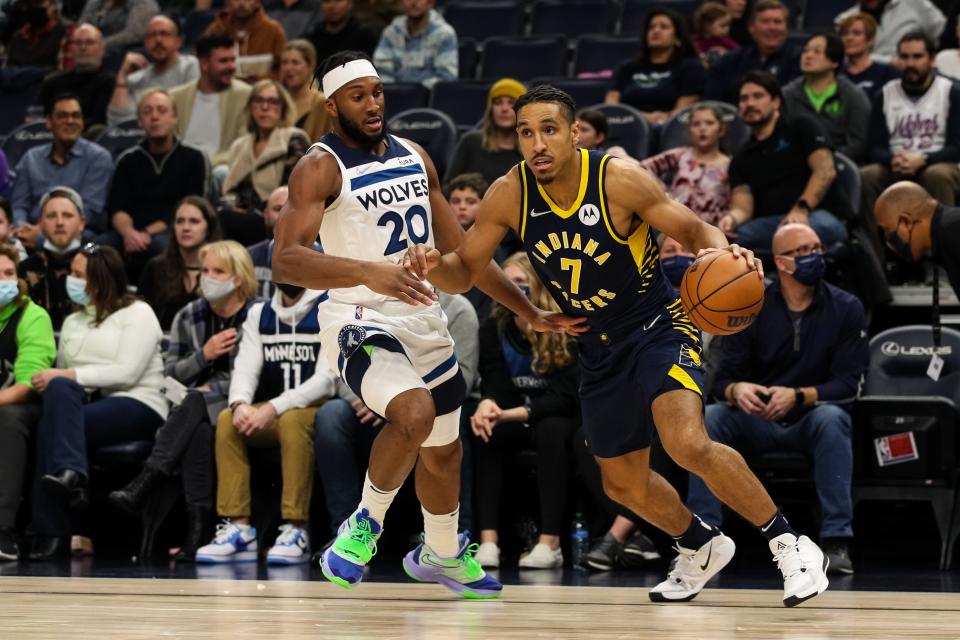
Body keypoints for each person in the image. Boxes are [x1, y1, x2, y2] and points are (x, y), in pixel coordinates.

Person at [404, 84, 830, 607]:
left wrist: (727, 251)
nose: (537, 143)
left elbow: (695, 228)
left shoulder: (617, 180)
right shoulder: (508, 193)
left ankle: (791, 543)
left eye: (549, 130)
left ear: (574, 133)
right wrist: (435, 267)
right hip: (595, 345)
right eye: (525, 132)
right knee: (623, 484)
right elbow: (466, 270)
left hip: (655, 326)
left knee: (687, 442)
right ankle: (699, 545)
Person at [272, 51, 565, 599]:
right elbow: (285, 260)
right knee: (414, 412)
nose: (373, 102)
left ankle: (442, 553)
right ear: (333, 105)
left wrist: (531, 312)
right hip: (358, 318)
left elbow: (466, 256)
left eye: (377, 91)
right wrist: (370, 273)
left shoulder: (416, 156)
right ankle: (363, 527)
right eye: (358, 95)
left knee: (444, 449)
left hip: (423, 315)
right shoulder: (318, 166)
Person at [689, 223, 869, 576]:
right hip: (756, 418)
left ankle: (836, 539)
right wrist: (736, 390)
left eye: (816, 248)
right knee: (711, 418)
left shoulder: (846, 307)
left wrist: (800, 395)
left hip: (809, 418)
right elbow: (721, 379)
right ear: (782, 263)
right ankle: (704, 537)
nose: (814, 257)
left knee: (833, 420)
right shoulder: (750, 304)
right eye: (803, 251)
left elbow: (851, 385)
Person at [107, 241, 260, 560]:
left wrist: (209, 390)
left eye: (218, 271)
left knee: (195, 403)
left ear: (239, 278)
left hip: (244, 405)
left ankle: (149, 479)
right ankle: (197, 532)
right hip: (193, 414)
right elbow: (169, 377)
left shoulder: (256, 314)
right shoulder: (189, 315)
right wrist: (204, 355)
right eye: (204, 271)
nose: (208, 277)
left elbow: (253, 376)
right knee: (198, 429)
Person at [26, 244, 168, 560]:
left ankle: (51, 532)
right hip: (91, 408)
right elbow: (66, 382)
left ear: (102, 279)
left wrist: (66, 375)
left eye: (80, 275)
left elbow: (127, 373)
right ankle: (72, 473)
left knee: (55, 418)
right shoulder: (75, 322)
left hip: (139, 404)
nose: (72, 281)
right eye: (72, 274)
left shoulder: (138, 313)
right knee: (59, 393)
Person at [312, 289, 480, 549]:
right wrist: (378, 398)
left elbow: (465, 376)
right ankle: (349, 529)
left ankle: (447, 545)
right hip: (369, 405)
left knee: (445, 429)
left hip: (428, 404)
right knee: (331, 416)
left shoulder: (458, 308)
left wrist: (529, 310)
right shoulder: (364, 291)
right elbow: (339, 366)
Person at [195, 285, 336, 564]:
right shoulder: (260, 313)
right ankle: (240, 528)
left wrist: (275, 406)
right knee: (227, 420)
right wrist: (239, 404)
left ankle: (297, 528)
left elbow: (327, 380)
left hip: (313, 408)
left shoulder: (328, 306)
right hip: (272, 411)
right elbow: (245, 368)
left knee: (292, 421)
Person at [470, 253, 580, 570]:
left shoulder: (565, 324)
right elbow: (497, 387)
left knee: (552, 429)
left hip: (560, 418)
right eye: (507, 284)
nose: (514, 291)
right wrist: (488, 404)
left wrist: (511, 413)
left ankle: (550, 543)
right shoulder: (493, 328)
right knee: (483, 429)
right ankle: (488, 541)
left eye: (521, 284)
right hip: (516, 413)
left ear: (539, 286)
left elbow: (565, 397)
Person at [720, 71, 847, 253]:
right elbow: (743, 207)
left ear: (776, 101)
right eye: (744, 99)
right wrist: (731, 219)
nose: (750, 104)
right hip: (772, 225)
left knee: (795, 233)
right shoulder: (741, 157)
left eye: (758, 96)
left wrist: (801, 209)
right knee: (730, 242)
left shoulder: (801, 127)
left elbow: (825, 171)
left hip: (818, 215)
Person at [860, 32, 960, 256]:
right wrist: (892, 159)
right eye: (904, 57)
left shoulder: (950, 91)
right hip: (896, 165)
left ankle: (946, 258)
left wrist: (923, 159)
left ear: (932, 59)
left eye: (917, 57)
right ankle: (877, 262)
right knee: (867, 176)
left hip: (937, 162)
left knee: (938, 175)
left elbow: (957, 146)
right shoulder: (884, 94)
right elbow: (874, 147)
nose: (910, 64)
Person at [0, 243, 57, 562]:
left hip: (25, 406)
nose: (4, 281)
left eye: (9, 273)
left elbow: (26, 384)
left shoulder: (32, 316)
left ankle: (4, 528)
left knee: (7, 418)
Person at [107, 89, 209, 266]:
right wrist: (130, 233)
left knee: (160, 247)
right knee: (95, 247)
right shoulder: (127, 160)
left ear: (174, 118)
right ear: (139, 121)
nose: (154, 117)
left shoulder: (193, 158)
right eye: (147, 112)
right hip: (130, 232)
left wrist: (146, 233)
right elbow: (117, 209)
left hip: (173, 229)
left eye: (162, 110)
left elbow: (192, 207)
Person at [11, 94, 114, 246]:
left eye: (76, 116)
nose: (70, 121)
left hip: (82, 235)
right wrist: (22, 227)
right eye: (62, 116)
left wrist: (42, 230)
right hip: (30, 232)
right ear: (49, 122)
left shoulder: (99, 158)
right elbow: (19, 205)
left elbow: (91, 212)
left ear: (82, 122)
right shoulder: (31, 158)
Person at [605, 9, 706, 126]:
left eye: (664, 27)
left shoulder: (690, 67)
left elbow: (682, 112)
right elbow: (611, 105)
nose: (656, 30)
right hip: (624, 125)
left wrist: (659, 121)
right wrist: (644, 118)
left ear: (677, 38)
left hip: (668, 128)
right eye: (651, 27)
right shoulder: (626, 67)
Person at [782, 33, 871, 164]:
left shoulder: (853, 96)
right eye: (805, 50)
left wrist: (827, 160)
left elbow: (858, 143)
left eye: (817, 51)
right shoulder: (786, 94)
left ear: (835, 62)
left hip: (842, 164)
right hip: (794, 164)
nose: (808, 56)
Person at [222, 79, 309, 211]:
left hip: (276, 215)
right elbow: (229, 193)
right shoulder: (239, 145)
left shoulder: (294, 138)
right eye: (259, 101)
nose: (265, 107)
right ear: (250, 107)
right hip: (237, 214)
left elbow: (295, 190)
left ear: (283, 108)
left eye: (273, 102)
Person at [138, 196, 222, 330]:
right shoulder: (155, 267)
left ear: (209, 227)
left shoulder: (222, 270)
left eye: (194, 221)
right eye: (180, 221)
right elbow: (140, 317)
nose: (186, 228)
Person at [171, 32, 253, 169]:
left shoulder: (246, 95)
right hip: (179, 168)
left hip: (221, 167)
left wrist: (202, 163)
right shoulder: (176, 97)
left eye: (233, 60)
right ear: (204, 64)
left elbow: (244, 145)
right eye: (223, 61)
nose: (231, 67)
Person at [640, 103, 731, 225]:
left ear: (721, 130)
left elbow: (737, 204)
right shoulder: (681, 155)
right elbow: (641, 168)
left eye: (709, 123)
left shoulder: (730, 164)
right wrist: (663, 192)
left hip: (711, 228)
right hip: (675, 223)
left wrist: (729, 219)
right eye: (696, 124)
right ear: (689, 131)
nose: (702, 129)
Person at [107, 15, 200, 125]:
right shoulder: (136, 78)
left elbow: (193, 113)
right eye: (152, 35)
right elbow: (118, 124)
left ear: (178, 42)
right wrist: (122, 79)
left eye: (164, 34)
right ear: (145, 44)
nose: (158, 40)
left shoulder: (190, 66)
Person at [704, 0, 801, 105]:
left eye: (777, 22)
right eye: (765, 21)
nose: (772, 27)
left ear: (786, 28)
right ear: (751, 28)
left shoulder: (801, 61)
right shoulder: (728, 62)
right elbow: (711, 105)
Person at [874, 181, 960, 299]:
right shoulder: (945, 233)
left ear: (906, 221)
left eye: (888, 231)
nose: (889, 244)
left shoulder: (953, 231)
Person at [17, 187, 87, 330]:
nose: (60, 222)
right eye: (51, 216)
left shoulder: (97, 264)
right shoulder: (25, 268)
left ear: (81, 223)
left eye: (67, 215)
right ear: (40, 224)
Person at [444, 79, 526, 188]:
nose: (504, 109)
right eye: (498, 102)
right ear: (491, 109)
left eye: (511, 102)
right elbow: (447, 186)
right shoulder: (471, 142)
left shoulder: (531, 150)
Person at [39, 24, 116, 130]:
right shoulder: (52, 83)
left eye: (89, 42)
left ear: (102, 48)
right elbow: (38, 118)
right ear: (71, 49)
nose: (83, 47)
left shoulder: (112, 84)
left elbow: (102, 120)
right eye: (78, 43)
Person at [373, 0, 456, 89]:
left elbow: (446, 78)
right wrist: (394, 93)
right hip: (393, 99)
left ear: (431, 2)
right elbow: (381, 73)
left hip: (431, 101)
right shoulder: (390, 33)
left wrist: (415, 93)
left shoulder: (444, 34)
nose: (414, 2)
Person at [835, 0, 945, 64]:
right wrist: (889, 62)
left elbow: (942, 35)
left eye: (856, 33)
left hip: (913, 72)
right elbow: (846, 58)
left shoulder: (916, 4)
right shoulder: (844, 20)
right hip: (869, 78)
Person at [205, 0, 286, 80]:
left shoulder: (274, 31)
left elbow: (281, 72)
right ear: (227, 2)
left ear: (258, 2)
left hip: (264, 91)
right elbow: (205, 68)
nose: (241, 3)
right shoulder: (215, 30)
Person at [281, 40, 333, 142]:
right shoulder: (279, 101)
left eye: (295, 62)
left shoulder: (323, 102)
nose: (288, 68)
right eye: (284, 62)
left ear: (311, 66)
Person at [838, 12, 899, 100]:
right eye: (845, 33)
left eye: (856, 33)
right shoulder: (835, 74)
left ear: (870, 40)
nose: (849, 38)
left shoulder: (888, 73)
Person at [5, 0, 75, 69]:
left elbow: (65, 72)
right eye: (30, 4)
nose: (34, 7)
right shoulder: (17, 37)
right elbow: (7, 73)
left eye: (39, 3)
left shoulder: (66, 33)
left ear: (52, 6)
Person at [308, 0, 380, 65]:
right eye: (327, 1)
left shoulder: (365, 36)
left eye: (338, 1)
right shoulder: (312, 37)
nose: (332, 6)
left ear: (350, 4)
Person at [78, 0, 159, 53]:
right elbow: (80, 29)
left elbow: (133, 35)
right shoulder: (95, 3)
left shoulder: (144, 3)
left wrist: (98, 45)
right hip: (91, 51)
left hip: (125, 53)